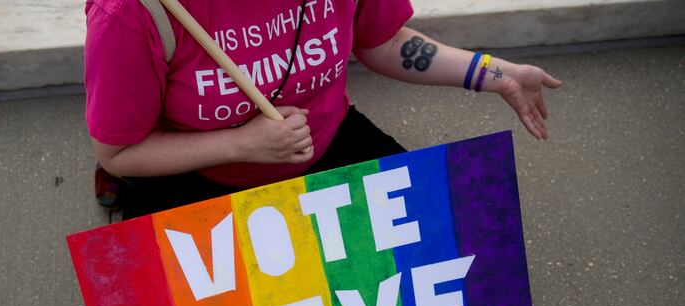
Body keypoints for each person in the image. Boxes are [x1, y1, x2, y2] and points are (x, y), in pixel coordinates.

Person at [84, 0, 561, 220]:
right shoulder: (131, 12)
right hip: (202, 173)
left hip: (326, 143)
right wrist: (243, 143)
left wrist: (493, 72)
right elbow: (118, 150)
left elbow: (384, 40)